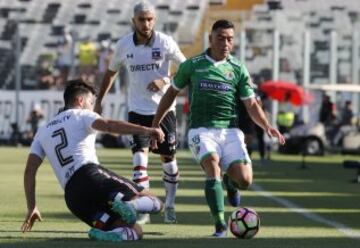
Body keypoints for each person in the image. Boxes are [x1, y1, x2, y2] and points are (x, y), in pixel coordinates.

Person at [151, 19, 285, 237]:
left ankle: (230, 184)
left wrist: (267, 126)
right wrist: (156, 124)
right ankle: (220, 224)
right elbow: (170, 94)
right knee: (212, 166)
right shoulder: (193, 65)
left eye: (230, 39)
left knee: (245, 181)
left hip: (230, 131)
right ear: (211, 38)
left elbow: (251, 104)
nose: (225, 43)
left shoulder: (238, 68)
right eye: (221, 38)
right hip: (201, 130)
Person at [22, 79, 165, 242]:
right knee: (155, 202)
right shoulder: (82, 114)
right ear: (80, 101)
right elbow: (109, 125)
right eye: (91, 102)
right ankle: (131, 206)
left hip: (73, 198)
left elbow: (29, 171)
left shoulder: (43, 130)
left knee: (135, 230)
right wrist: (146, 130)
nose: (92, 106)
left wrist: (32, 206)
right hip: (91, 176)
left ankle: (111, 234)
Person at [94, 1, 186, 224]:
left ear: (154, 19)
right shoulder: (124, 45)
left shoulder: (165, 42)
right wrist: (99, 102)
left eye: (150, 19)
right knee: (138, 160)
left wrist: (164, 79)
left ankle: (170, 204)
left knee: (168, 160)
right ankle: (144, 209)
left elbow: (186, 67)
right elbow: (110, 73)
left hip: (164, 110)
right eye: (142, 19)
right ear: (133, 21)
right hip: (137, 111)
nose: (146, 23)